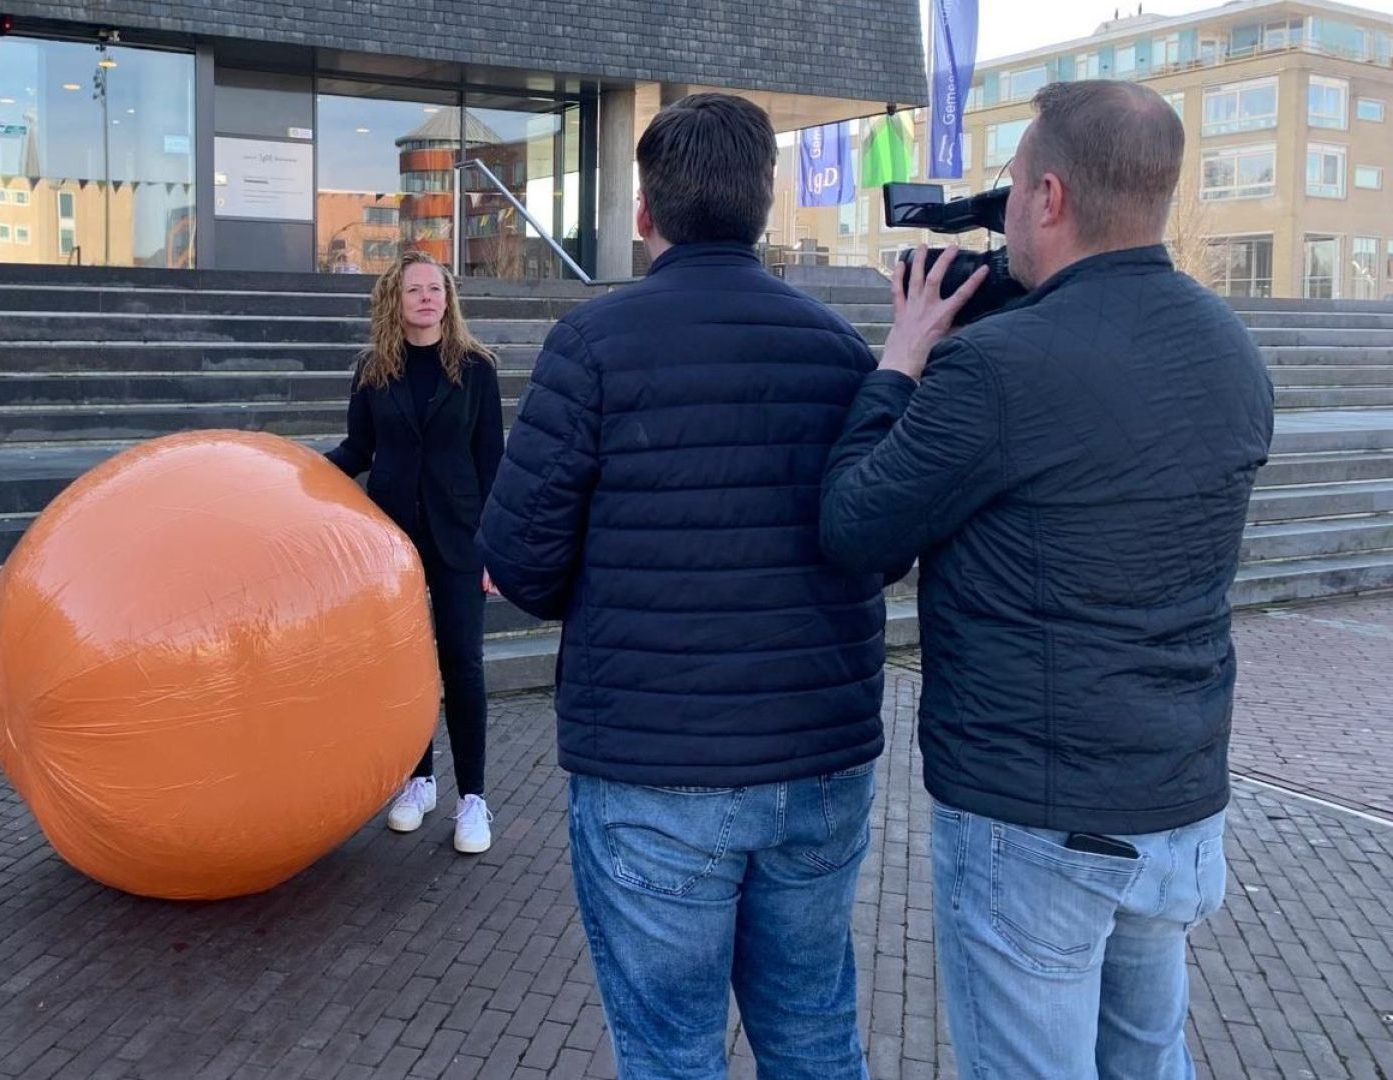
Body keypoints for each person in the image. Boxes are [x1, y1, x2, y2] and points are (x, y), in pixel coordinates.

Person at [819, 80, 1274, 1079]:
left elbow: (856, 528)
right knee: (1150, 1063)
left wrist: (900, 360)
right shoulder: (1233, 351)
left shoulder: (996, 372)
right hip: (1179, 807)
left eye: (1013, 185)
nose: (1006, 203)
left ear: (1051, 197)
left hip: (1035, 822)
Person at [478, 93, 886, 1080]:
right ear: (766, 200)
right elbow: (878, 538)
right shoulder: (840, 350)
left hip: (655, 769)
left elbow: (522, 563)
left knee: (671, 1055)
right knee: (815, 1033)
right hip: (817, 763)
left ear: (645, 213)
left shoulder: (592, 346)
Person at [326, 251, 504, 854]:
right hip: (392, 540)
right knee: (404, 665)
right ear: (394, 301)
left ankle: (472, 798)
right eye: (415, 290)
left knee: (463, 664)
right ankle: (419, 780)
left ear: (448, 300)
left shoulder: (477, 369)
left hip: (459, 537)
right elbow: (358, 449)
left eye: (437, 289)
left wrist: (493, 549)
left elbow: (492, 463)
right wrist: (298, 472)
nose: (428, 298)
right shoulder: (373, 369)